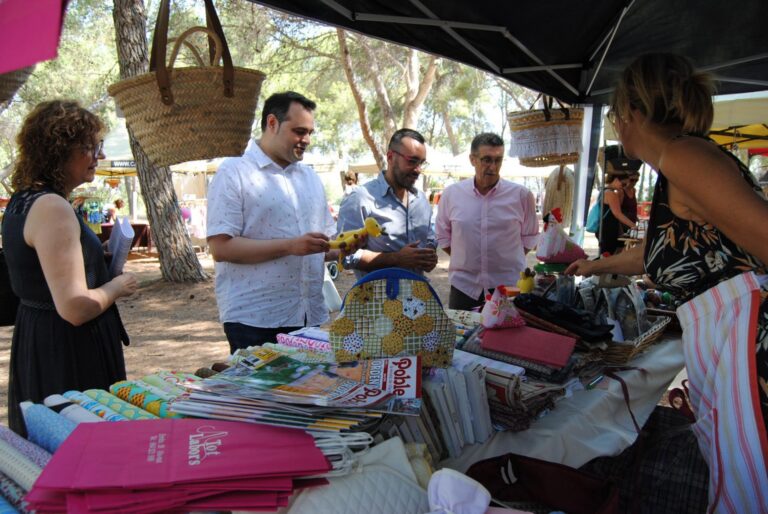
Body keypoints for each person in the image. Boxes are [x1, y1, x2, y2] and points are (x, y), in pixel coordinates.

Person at [566, 53, 768, 512]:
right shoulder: (674, 166)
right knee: (735, 476)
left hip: (743, 334)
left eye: (618, 114)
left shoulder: (682, 154)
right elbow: (668, 247)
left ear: (634, 112)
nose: (618, 125)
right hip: (722, 331)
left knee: (746, 485)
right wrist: (596, 266)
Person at [1, 100, 137, 435]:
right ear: (59, 151)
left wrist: (98, 256)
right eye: (90, 147)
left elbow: (43, 269)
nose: (98, 156)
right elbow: (75, 307)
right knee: (81, 450)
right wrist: (117, 287)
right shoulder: (52, 207)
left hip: (45, 339)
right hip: (67, 349)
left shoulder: (26, 199)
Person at [207, 91, 338, 353]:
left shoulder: (311, 178)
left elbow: (324, 247)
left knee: (306, 393)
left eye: (310, 132)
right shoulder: (234, 172)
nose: (307, 140)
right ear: (272, 123)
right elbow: (221, 248)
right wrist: (290, 246)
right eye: (299, 131)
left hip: (307, 316)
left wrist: (346, 245)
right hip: (255, 319)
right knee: (262, 395)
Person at [435, 133, 538, 310]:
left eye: (498, 160)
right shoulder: (452, 195)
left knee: (506, 338)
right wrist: (467, 258)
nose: (493, 166)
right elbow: (443, 236)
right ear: (472, 159)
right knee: (463, 337)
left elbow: (530, 237)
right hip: (464, 288)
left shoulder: (521, 196)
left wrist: (501, 259)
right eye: (487, 159)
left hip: (508, 287)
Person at [336, 128, 437, 278]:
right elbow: (345, 255)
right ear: (390, 157)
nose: (418, 170)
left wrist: (429, 256)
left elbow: (430, 239)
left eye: (421, 163)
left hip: (417, 297)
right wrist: (396, 258)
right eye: (412, 161)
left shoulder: (421, 201)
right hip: (375, 299)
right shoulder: (360, 198)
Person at [597, 169, 636, 255]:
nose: (624, 186)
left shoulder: (604, 191)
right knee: (609, 255)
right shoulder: (611, 194)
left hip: (604, 227)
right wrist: (634, 226)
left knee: (607, 254)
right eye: (623, 184)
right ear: (616, 180)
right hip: (609, 228)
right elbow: (618, 213)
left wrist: (620, 194)